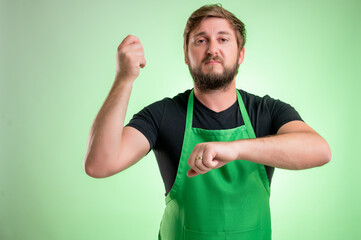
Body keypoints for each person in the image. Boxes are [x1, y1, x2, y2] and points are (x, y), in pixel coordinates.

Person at [83, 4, 331, 240]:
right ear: (186, 55)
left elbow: (320, 151)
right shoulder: (163, 115)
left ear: (241, 53)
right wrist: (124, 79)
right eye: (201, 41)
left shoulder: (267, 111)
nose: (213, 49)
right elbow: (99, 164)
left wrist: (234, 149)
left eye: (223, 39)